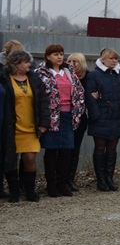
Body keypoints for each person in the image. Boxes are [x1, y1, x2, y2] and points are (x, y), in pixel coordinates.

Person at [34, 45, 86, 197]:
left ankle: (63, 184)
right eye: (56, 54)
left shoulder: (69, 73)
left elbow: (79, 92)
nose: (59, 57)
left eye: (61, 54)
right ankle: (51, 185)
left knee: (66, 151)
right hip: (51, 117)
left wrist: (78, 111)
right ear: (48, 56)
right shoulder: (41, 73)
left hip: (68, 116)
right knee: (51, 151)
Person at [2, 50, 46, 202]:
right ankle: (14, 192)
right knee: (11, 160)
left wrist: (43, 123)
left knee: (30, 160)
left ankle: (29, 191)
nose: (29, 64)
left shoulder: (34, 78)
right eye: (26, 62)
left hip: (30, 128)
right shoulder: (5, 79)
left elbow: (43, 101)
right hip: (12, 127)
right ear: (16, 64)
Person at [85, 48, 120, 192]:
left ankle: (109, 178)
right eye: (111, 58)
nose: (114, 61)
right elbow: (89, 98)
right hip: (101, 117)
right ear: (103, 59)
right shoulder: (94, 75)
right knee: (100, 147)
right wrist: (96, 115)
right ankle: (101, 180)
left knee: (112, 148)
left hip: (117, 117)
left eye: (116, 58)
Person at [66, 52, 90, 191]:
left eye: (76, 61)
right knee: (63, 150)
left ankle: (71, 178)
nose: (73, 64)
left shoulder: (88, 77)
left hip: (80, 118)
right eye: (70, 61)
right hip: (65, 117)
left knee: (75, 149)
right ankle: (61, 178)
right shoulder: (64, 76)